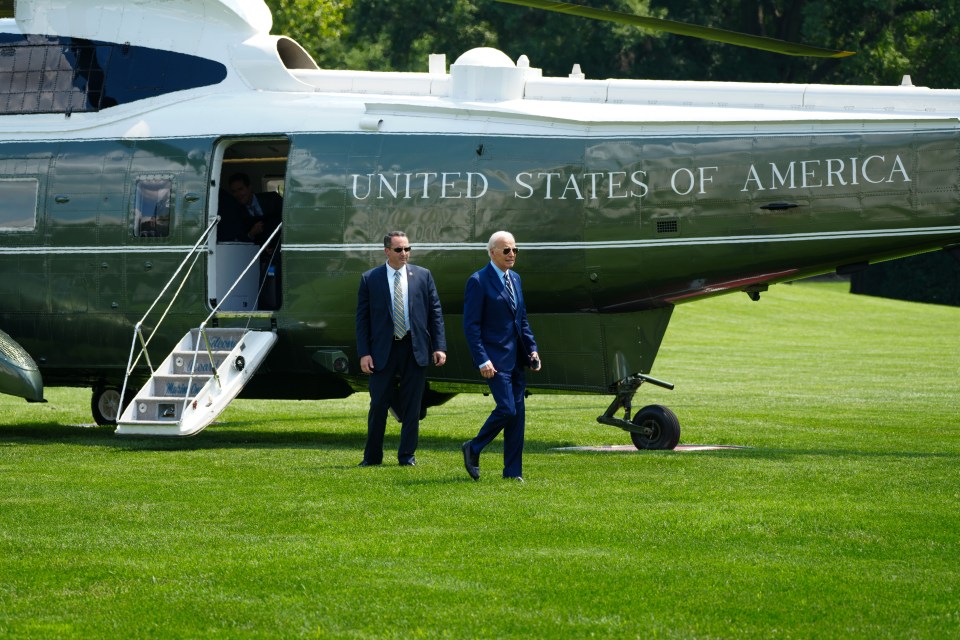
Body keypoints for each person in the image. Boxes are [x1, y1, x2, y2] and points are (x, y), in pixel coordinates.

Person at [356, 231, 447, 467]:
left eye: (407, 249)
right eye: (399, 250)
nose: (404, 254)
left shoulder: (423, 276)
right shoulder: (370, 278)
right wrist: (364, 352)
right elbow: (362, 319)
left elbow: (435, 313)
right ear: (387, 251)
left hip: (414, 347)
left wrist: (439, 346)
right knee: (378, 404)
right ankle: (372, 457)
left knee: (412, 405)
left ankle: (407, 457)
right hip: (382, 350)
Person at [461, 231, 541, 483]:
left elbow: (522, 320)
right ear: (492, 252)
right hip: (494, 361)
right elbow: (471, 326)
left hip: (517, 358)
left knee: (517, 416)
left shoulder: (515, 279)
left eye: (515, 250)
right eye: (507, 250)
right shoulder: (478, 281)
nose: (512, 254)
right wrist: (482, 359)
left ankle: (512, 472)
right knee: (506, 408)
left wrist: (532, 349)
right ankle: (473, 448)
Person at [226, 172, 283, 309]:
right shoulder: (235, 212)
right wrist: (252, 233)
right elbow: (238, 240)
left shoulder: (273, 199)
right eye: (234, 191)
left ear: (249, 187)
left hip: (280, 248)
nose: (238, 194)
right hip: (257, 256)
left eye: (241, 189)